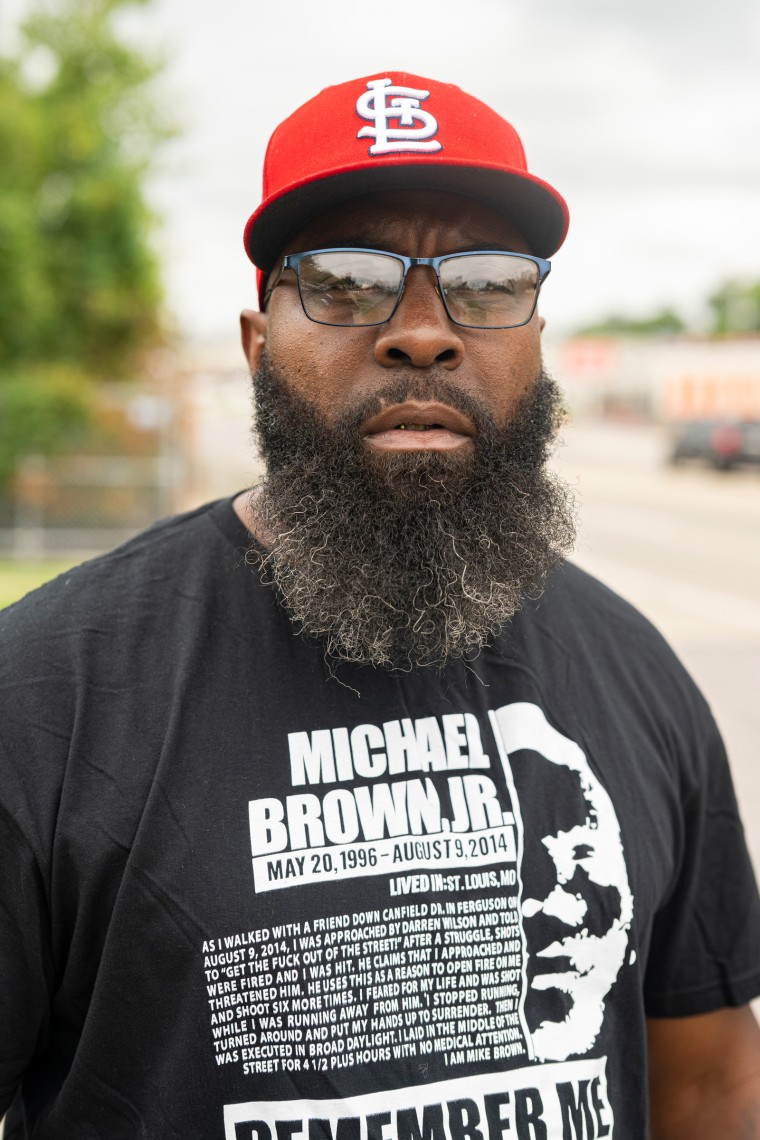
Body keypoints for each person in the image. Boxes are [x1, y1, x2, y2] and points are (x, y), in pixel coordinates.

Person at [1, 71, 759, 1140]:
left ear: (536, 347)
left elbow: (709, 1082)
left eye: (488, 282)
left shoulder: (633, 669)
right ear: (258, 347)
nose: (420, 332)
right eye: (345, 282)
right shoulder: (45, 694)